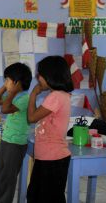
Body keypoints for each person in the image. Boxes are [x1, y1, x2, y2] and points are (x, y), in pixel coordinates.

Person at [27, 56, 74, 203]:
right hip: (48, 157)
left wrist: (33, 94)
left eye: (40, 75)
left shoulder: (56, 96)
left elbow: (32, 117)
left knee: (47, 197)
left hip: (53, 158)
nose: (38, 78)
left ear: (50, 75)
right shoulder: (59, 95)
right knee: (37, 195)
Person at [0, 62, 32, 203]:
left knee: (7, 178)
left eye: (7, 79)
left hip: (16, 144)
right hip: (7, 141)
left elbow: (5, 109)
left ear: (17, 83)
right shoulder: (12, 94)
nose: (5, 82)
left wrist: (12, 91)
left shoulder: (25, 98)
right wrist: (6, 87)